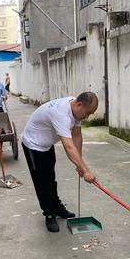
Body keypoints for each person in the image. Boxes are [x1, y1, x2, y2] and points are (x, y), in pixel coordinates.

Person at [21, 92, 98, 232]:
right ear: (79, 105)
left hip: (46, 144)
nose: (87, 117)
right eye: (88, 113)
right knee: (42, 181)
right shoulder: (61, 113)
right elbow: (68, 146)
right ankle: (49, 214)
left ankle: (56, 207)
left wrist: (79, 164)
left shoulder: (75, 110)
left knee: (50, 177)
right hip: (33, 144)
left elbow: (76, 136)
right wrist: (85, 170)